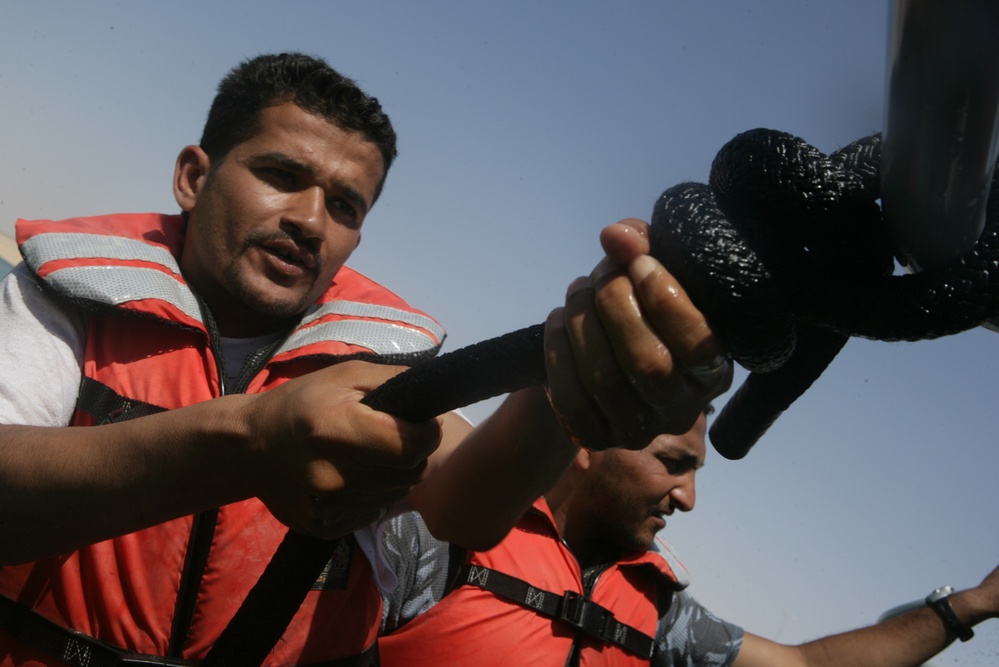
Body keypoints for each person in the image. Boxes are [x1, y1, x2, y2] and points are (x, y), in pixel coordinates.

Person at [0, 53, 730, 666]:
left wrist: (575, 359)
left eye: (346, 206)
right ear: (194, 175)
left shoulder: (374, 358)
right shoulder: (66, 297)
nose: (311, 221)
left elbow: (469, 506)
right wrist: (249, 441)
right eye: (281, 174)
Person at [377, 411, 999, 667]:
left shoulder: (660, 612)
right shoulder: (437, 539)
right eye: (675, 463)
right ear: (588, 444)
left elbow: (805, 666)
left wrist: (971, 605)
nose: (688, 498)